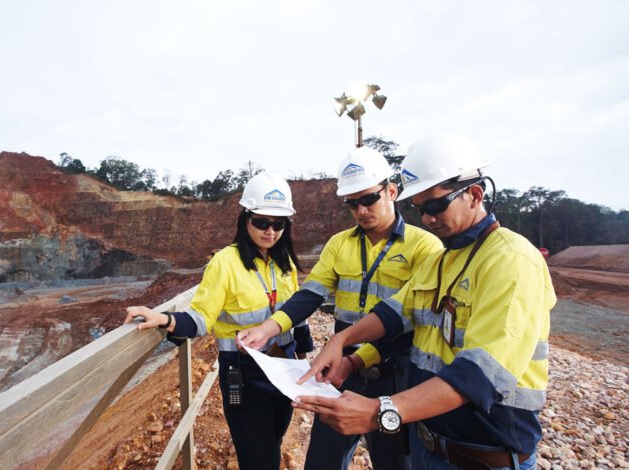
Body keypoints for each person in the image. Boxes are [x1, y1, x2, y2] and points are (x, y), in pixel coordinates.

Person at [294, 133, 556, 470]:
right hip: (429, 446)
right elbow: (394, 314)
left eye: (436, 206)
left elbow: (480, 374)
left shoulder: (511, 259)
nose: (428, 219)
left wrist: (379, 411)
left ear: (475, 195)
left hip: (483, 457)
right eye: (421, 209)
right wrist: (343, 342)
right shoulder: (442, 260)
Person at [237, 147, 441, 470]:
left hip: (394, 376)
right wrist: (268, 328)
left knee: (395, 463)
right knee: (322, 462)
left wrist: (356, 358)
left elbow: (415, 321)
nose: (361, 210)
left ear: (391, 191)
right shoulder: (339, 244)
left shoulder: (425, 247)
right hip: (341, 375)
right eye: (352, 203)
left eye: (369, 199)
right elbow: (310, 295)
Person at [124, 172, 307, 470]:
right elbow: (200, 319)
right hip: (245, 375)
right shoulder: (225, 263)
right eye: (261, 222)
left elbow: (296, 314)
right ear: (245, 220)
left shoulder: (283, 263)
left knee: (273, 443)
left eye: (278, 224)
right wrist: (164, 319)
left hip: (283, 367)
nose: (270, 231)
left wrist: (305, 358)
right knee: (257, 459)